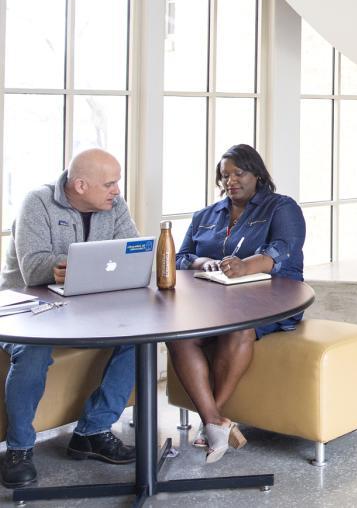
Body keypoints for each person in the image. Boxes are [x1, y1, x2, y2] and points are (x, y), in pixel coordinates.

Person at [0, 149, 137, 490]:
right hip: (25, 310)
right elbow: (33, 269)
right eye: (109, 183)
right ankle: (18, 450)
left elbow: (133, 249)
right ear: (80, 185)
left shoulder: (114, 206)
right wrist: (62, 265)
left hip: (83, 310)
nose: (117, 190)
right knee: (33, 352)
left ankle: (92, 430)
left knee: (140, 339)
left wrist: (86, 266)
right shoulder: (38, 203)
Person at [167, 144, 305, 463]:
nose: (230, 181)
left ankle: (211, 418)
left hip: (271, 301)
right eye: (224, 175)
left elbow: (283, 249)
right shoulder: (206, 215)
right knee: (179, 335)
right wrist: (203, 262)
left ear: (256, 174)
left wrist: (246, 265)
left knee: (239, 331)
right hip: (214, 303)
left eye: (238, 173)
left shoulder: (280, 207)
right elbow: (181, 257)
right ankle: (215, 421)